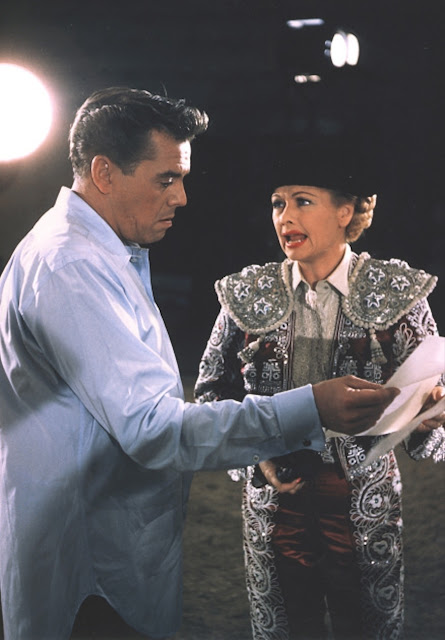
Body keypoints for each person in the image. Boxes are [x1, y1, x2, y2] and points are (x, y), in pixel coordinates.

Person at [0, 89, 397, 640]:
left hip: (104, 548)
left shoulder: (101, 253)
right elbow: (155, 427)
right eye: (166, 179)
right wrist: (309, 407)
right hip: (89, 570)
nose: (182, 197)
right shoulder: (72, 266)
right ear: (104, 173)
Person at [194, 143, 445, 640]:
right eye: (277, 203)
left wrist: (431, 413)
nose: (285, 217)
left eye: (302, 201)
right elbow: (210, 394)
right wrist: (258, 456)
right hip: (275, 498)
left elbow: (431, 393)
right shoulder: (247, 295)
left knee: (366, 627)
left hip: (363, 498)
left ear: (346, 211)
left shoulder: (396, 292)